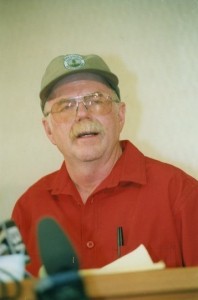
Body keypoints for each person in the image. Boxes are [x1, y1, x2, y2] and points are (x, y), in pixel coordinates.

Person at [12, 53, 198, 277]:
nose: (82, 113)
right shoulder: (27, 209)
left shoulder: (181, 194)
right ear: (48, 130)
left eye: (96, 100)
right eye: (66, 106)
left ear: (120, 115)